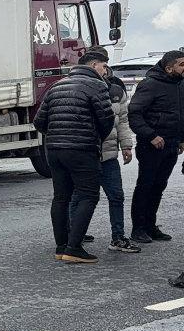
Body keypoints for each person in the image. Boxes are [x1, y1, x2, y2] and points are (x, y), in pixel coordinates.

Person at [33, 48, 115, 264]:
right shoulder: (97, 86)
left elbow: (39, 122)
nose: (105, 70)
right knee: (89, 195)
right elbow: (106, 120)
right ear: (93, 65)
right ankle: (74, 247)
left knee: (61, 197)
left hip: (55, 150)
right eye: (104, 65)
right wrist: (94, 137)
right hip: (82, 149)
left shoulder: (57, 85)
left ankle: (61, 246)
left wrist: (57, 136)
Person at [128, 49, 184, 244]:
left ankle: (151, 226)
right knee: (146, 186)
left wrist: (181, 138)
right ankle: (138, 228)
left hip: (171, 143)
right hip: (151, 145)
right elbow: (134, 114)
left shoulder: (179, 85)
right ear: (169, 68)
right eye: (182, 64)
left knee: (159, 186)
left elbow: (180, 114)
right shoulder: (150, 85)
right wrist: (151, 135)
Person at [98, 69, 140, 253]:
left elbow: (123, 121)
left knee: (116, 196)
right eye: (101, 64)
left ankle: (118, 237)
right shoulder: (79, 89)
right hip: (84, 155)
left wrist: (126, 146)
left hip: (108, 154)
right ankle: (74, 237)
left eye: (106, 64)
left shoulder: (115, 91)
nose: (105, 69)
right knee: (80, 198)